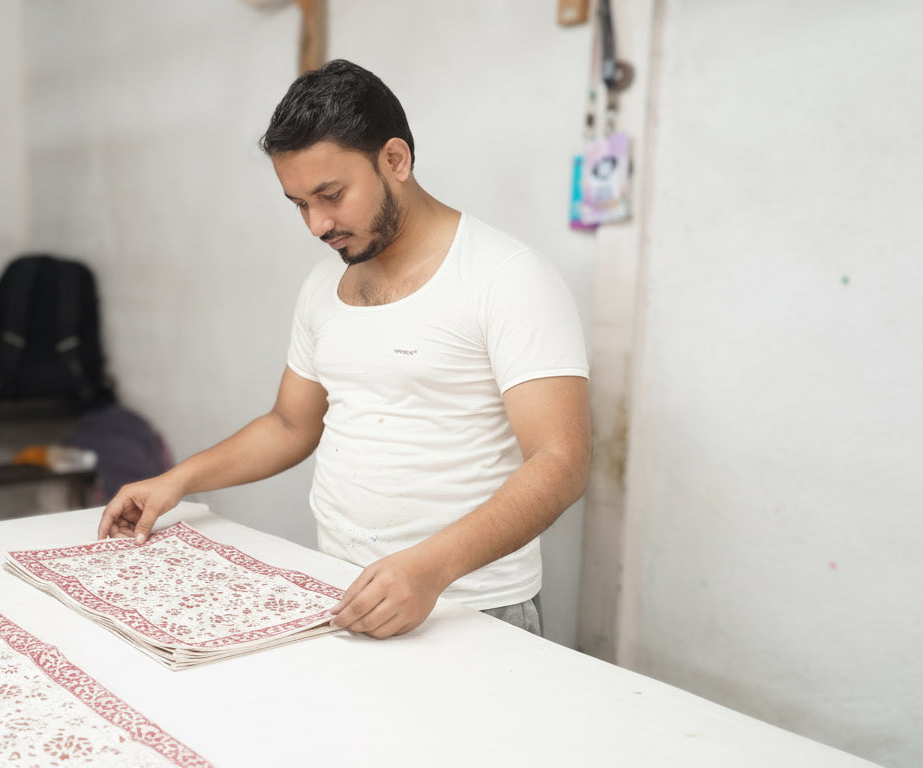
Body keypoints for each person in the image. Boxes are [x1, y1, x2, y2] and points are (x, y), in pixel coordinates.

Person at [97, 59, 590, 639]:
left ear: (395, 160)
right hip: (341, 592)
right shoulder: (322, 287)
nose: (315, 224)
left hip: (471, 606)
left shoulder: (506, 276)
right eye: (300, 203)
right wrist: (175, 481)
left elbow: (561, 462)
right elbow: (289, 424)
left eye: (330, 195)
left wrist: (430, 569)